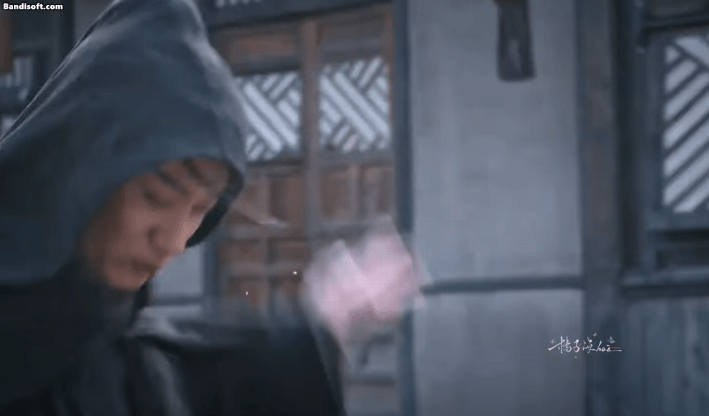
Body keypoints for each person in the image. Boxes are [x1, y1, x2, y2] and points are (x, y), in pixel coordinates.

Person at [0, 0, 422, 415]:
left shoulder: (118, 341)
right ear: (82, 173)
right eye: (156, 196)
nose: (172, 240)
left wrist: (326, 325)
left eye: (199, 210)